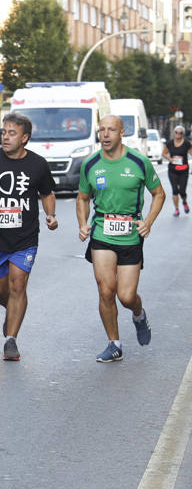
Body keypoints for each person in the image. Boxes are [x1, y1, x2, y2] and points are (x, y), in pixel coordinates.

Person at [0, 113, 57, 362]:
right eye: (4, 132)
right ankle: (13, 310)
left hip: (25, 237)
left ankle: (11, 340)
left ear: (24, 138)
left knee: (18, 284)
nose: (5, 137)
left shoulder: (38, 164)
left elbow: (47, 193)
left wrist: (50, 215)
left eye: (12, 133)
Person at [76, 114, 165, 363]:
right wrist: (83, 224)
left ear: (121, 132)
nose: (105, 134)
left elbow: (159, 194)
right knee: (106, 290)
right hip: (102, 230)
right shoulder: (90, 163)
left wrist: (147, 222)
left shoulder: (138, 161)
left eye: (110, 130)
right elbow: (83, 197)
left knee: (126, 296)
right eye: (101, 130)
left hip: (129, 233)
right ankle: (114, 344)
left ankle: (138, 314)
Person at [162, 124, 190, 216]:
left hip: (184, 170)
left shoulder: (186, 143)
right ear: (174, 133)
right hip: (173, 170)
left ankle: (184, 202)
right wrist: (170, 159)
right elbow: (164, 154)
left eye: (180, 132)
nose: (178, 134)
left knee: (182, 191)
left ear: (183, 134)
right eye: (176, 132)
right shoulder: (170, 143)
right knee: (174, 190)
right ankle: (177, 209)